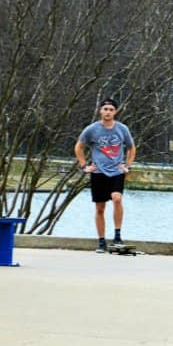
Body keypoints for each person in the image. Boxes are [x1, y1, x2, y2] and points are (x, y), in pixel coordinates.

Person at [75, 98, 135, 252]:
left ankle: (117, 235)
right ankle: (101, 241)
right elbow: (79, 147)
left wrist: (127, 166)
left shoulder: (122, 129)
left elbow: (131, 148)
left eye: (111, 109)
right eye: (105, 109)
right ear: (100, 111)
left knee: (117, 198)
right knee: (100, 208)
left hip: (116, 171)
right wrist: (84, 166)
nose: (108, 112)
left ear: (115, 112)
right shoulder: (92, 129)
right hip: (98, 172)